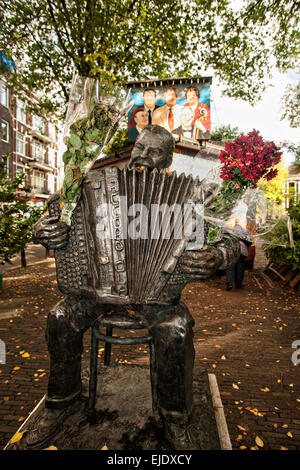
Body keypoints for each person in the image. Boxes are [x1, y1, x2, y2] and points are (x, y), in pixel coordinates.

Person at [29, 124, 240, 450]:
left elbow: (230, 241)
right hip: (95, 291)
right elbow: (55, 216)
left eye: (153, 152)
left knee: (177, 329)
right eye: (140, 149)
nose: (143, 157)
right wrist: (44, 230)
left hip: (157, 295)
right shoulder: (94, 184)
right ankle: (62, 402)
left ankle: (175, 418)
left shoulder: (186, 195)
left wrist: (218, 255)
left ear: (167, 159)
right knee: (60, 317)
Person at [226, 217, 252, 290]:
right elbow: (249, 243)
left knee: (231, 267)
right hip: (242, 252)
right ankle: (238, 284)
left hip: (232, 251)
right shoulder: (246, 231)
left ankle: (230, 283)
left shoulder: (230, 231)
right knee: (240, 267)